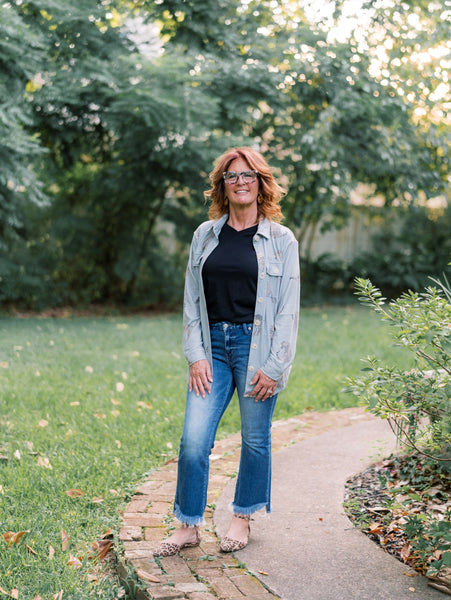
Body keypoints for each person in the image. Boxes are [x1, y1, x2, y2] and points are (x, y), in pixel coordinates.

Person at [154, 147, 300, 557]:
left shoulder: (281, 240)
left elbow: (288, 309)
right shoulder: (204, 235)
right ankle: (187, 525)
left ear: (260, 183)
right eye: (232, 176)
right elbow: (190, 301)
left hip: (258, 353)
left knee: (255, 440)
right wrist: (195, 355)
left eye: (248, 175)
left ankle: (242, 518)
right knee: (193, 440)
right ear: (222, 185)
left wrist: (275, 366)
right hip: (212, 349)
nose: (241, 182)